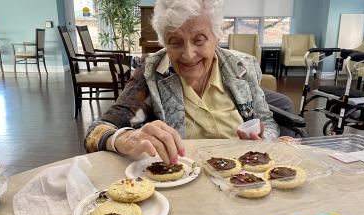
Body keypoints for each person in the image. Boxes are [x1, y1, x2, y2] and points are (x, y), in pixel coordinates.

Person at [84, 0, 292, 165]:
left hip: (241, 175)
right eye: (174, 42)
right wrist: (129, 139)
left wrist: (265, 141)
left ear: (217, 35)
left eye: (199, 40)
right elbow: (95, 132)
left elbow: (267, 120)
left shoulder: (242, 66)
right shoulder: (151, 73)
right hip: (185, 181)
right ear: (164, 42)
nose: (188, 54)